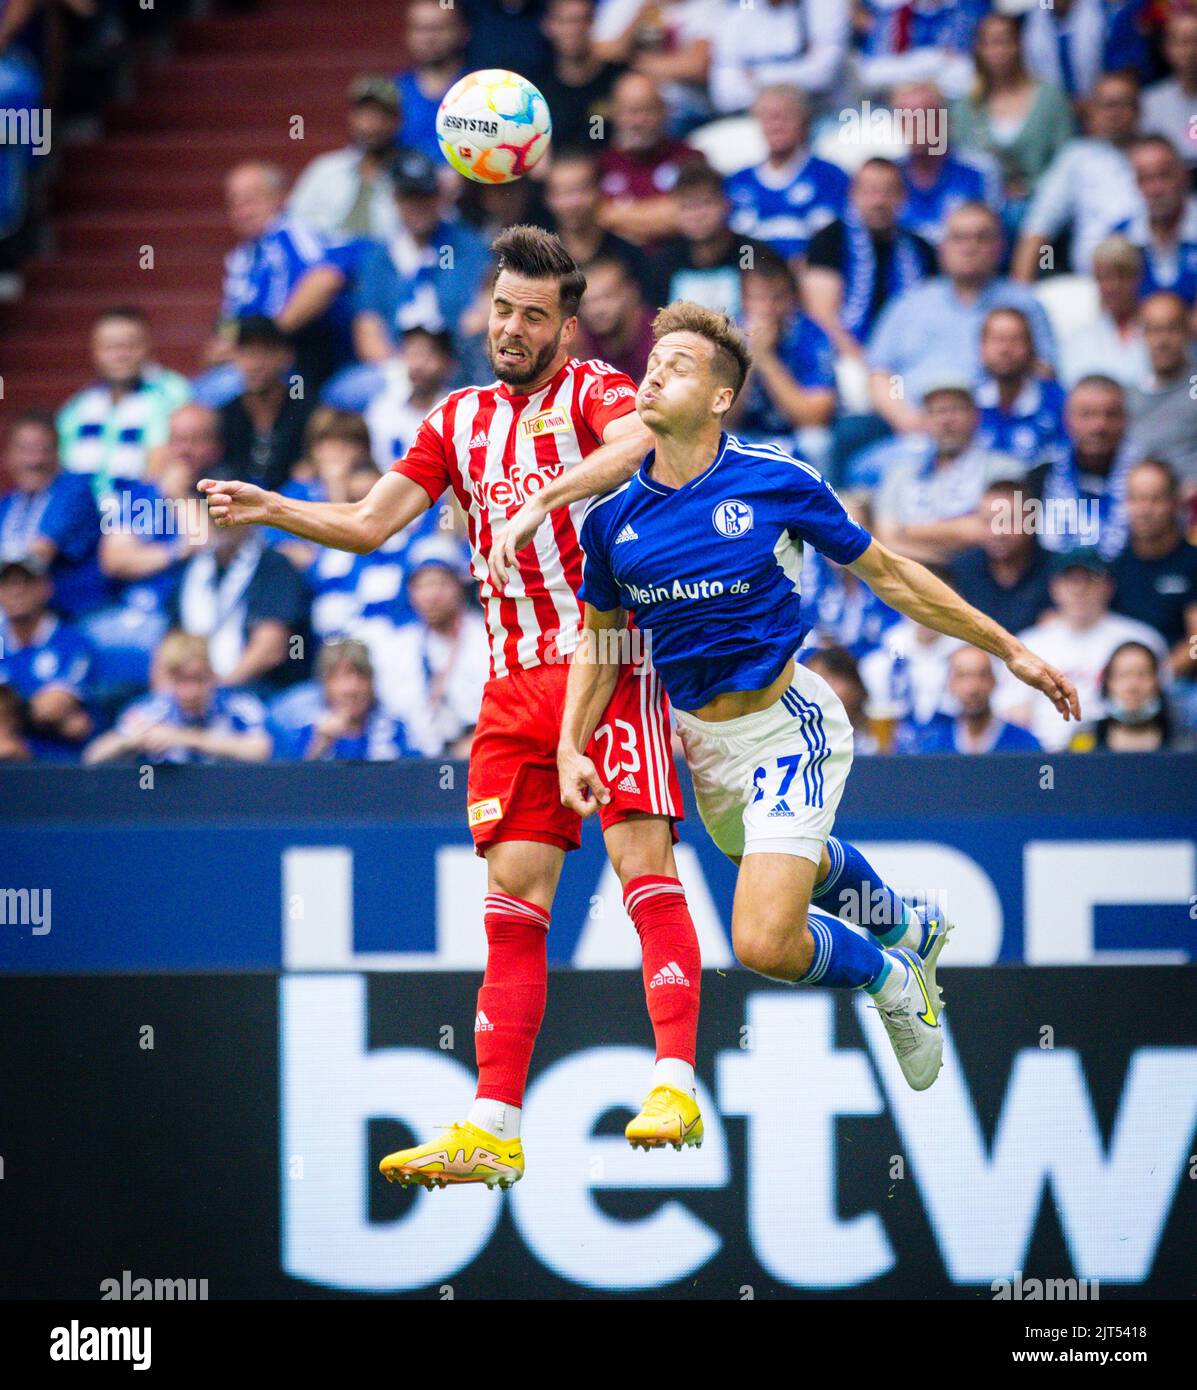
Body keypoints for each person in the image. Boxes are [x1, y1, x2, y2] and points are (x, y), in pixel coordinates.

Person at [201, 226, 704, 1189]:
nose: (511, 328)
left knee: (642, 865)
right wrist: (272, 507)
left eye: (532, 315)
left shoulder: (596, 389)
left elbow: (651, 437)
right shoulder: (455, 418)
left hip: (605, 658)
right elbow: (364, 523)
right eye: (501, 309)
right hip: (511, 690)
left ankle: (674, 1076)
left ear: (564, 326)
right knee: (513, 912)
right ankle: (493, 1122)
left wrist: (540, 496)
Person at [557, 300, 1080, 1097]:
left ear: (722, 397)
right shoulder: (611, 519)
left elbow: (892, 575)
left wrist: (1008, 649)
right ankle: (907, 922)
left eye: (680, 366)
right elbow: (602, 643)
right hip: (702, 747)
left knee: (764, 941)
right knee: (774, 864)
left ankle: (890, 977)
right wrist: (570, 743)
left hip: (787, 727)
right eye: (652, 363)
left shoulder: (775, 481)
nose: (654, 373)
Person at [867, 201, 1055, 432]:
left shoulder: (1024, 303)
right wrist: (908, 417)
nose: (970, 247)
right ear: (942, 248)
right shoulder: (908, 304)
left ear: (1000, 247)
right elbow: (884, 375)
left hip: (998, 430)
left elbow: (1043, 372)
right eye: (959, 238)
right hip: (915, 428)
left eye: (981, 238)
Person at [995, 548, 1164, 751]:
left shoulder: (1141, 639)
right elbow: (1009, 710)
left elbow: (1162, 707)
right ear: (1053, 587)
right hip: (1044, 756)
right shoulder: (1026, 645)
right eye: (1069, 579)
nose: (1079, 589)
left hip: (1118, 754)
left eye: (1090, 579)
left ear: (1108, 586)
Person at [351, 150, 491, 359]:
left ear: (439, 197)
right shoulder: (378, 258)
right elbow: (368, 328)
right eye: (409, 197)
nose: (418, 206)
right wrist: (399, 374)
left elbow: (485, 311)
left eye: (425, 195)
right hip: (394, 368)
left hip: (455, 364)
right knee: (343, 389)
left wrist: (441, 364)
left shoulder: (468, 247)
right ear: (395, 199)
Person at [871, 378, 1024, 565]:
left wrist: (907, 532)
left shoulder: (1005, 468)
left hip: (979, 581)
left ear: (976, 416)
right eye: (937, 412)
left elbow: (990, 530)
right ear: (924, 420)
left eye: (956, 409)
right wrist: (949, 547)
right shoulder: (900, 474)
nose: (946, 420)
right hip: (913, 581)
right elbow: (886, 540)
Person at [363, 535, 489, 757]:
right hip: (413, 762)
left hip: (477, 753)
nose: (432, 595)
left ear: (459, 585)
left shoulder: (488, 638)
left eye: (440, 583)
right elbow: (390, 716)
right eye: (421, 585)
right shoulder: (396, 648)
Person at [1011, 71, 1143, 281]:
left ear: (1138, 110)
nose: (1114, 113)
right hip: (1090, 282)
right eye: (1107, 105)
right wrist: (1024, 289)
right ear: (1092, 111)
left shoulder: (1155, 155)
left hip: (1147, 280)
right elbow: (1041, 226)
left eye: (1122, 104)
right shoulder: (1077, 156)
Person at [803, 156, 936, 361]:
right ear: (853, 195)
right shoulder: (828, 239)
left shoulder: (921, 248)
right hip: (843, 357)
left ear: (903, 196)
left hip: (909, 355)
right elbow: (821, 315)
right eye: (870, 191)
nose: (879, 201)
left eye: (888, 192)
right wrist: (864, 365)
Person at [949, 11, 1075, 225]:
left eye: (1005, 41)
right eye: (990, 43)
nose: (999, 51)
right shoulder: (966, 107)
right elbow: (962, 162)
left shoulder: (1051, 99)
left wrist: (1030, 190)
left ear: (1020, 45)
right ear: (978, 49)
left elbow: (1068, 160)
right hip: (984, 210)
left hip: (1046, 207)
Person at [168, 518, 310, 697]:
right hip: (192, 690)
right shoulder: (194, 566)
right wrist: (166, 695)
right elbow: (170, 641)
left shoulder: (275, 567)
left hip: (255, 686)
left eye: (229, 514)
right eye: (212, 513)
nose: (220, 521)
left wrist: (214, 690)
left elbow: (271, 650)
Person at [83, 631, 271, 766]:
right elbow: (93, 757)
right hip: (163, 807)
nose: (190, 691)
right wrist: (132, 741)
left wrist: (183, 738)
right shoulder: (150, 709)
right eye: (181, 681)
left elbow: (260, 751)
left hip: (231, 803)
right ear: (169, 679)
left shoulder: (240, 705)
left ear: (213, 675)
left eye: (198, 679)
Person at [57, 306, 192, 491]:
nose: (121, 355)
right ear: (95, 352)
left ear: (148, 346)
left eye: (130, 345)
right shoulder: (79, 406)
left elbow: (166, 460)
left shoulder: (173, 392)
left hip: (144, 508)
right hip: (85, 513)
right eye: (110, 347)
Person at [724, 86, 849, 268]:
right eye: (768, 117)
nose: (776, 124)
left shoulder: (830, 178)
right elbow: (736, 247)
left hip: (811, 281)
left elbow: (835, 242)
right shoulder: (737, 183)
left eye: (784, 116)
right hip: (753, 284)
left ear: (804, 121)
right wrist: (755, 274)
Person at [0, 411, 107, 619]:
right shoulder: (6, 505)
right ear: (7, 457)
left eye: (43, 450)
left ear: (58, 453)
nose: (35, 460)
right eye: (24, 450)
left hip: (75, 618)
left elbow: (37, 555)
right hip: (18, 621)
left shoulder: (75, 490)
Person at [730, 250, 836, 455]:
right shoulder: (727, 335)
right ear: (743, 301)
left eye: (777, 298)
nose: (768, 309)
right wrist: (748, 359)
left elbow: (814, 419)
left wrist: (765, 358)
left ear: (792, 298)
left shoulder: (811, 335)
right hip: (745, 435)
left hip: (796, 438)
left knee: (818, 443)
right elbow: (724, 419)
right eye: (758, 299)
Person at [287, 75, 407, 242]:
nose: (370, 125)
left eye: (380, 115)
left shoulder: (411, 175)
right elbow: (292, 223)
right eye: (363, 114)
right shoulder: (325, 169)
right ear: (351, 118)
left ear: (397, 121)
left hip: (383, 264)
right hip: (324, 263)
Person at [643, 161, 769, 319]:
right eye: (687, 206)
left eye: (705, 203)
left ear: (726, 204)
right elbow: (653, 322)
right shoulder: (664, 263)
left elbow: (766, 306)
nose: (697, 215)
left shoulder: (748, 252)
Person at [1029, 375, 1136, 562]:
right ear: (1068, 419)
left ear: (1126, 419)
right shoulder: (1040, 477)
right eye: (1087, 414)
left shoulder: (1145, 478)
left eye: (1110, 414)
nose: (1099, 426)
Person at [0, 555, 95, 760]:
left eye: (27, 581)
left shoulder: (70, 641)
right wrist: (62, 723)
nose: (16, 590)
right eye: (7, 582)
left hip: (55, 762)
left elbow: (51, 708)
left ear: (46, 587)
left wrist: (7, 712)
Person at [1109, 459, 1197, 681]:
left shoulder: (1192, 562)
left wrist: (1157, 678)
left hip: (1183, 686)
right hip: (1123, 685)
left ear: (1176, 503)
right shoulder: (1114, 564)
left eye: (1155, 499)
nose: (1145, 510)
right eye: (1136, 499)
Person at [596, 71, 703, 247]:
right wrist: (657, 215)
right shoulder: (601, 164)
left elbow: (690, 216)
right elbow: (589, 215)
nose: (638, 121)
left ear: (664, 111)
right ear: (615, 114)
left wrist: (615, 217)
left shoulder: (689, 159)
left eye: (647, 110)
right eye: (630, 111)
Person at [893, 81, 1001, 248]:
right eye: (907, 117)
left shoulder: (979, 171)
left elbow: (990, 239)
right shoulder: (889, 176)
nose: (917, 125)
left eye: (926, 116)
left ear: (946, 121)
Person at [268, 637, 410, 762]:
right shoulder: (305, 735)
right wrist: (321, 746)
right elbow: (295, 786)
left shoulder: (396, 731)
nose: (351, 689)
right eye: (339, 678)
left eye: (361, 677)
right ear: (324, 684)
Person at [218, 317, 314, 493]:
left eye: (264, 353)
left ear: (286, 357)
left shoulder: (307, 412)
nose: (254, 364)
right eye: (246, 353)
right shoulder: (225, 414)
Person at [948, 479, 1053, 637]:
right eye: (988, 521)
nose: (998, 533)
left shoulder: (1056, 570)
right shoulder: (962, 569)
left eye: (1008, 521)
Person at [706, 0, 850, 112]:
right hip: (755, 117)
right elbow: (725, 94)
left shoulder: (825, 5)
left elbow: (822, 76)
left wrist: (758, 77)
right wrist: (799, 72)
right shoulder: (737, 15)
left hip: (823, 113)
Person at [973, 307, 1066, 468]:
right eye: (997, 340)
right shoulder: (968, 404)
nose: (1005, 349)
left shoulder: (1060, 402)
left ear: (1031, 347)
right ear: (982, 348)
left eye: (1015, 340)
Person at [1057, 235, 1150, 388]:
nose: (1113, 286)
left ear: (1137, 278)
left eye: (1122, 276)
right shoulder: (1079, 339)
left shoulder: (1157, 332)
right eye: (1105, 278)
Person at [540, 150, 643, 287]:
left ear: (599, 191)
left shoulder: (628, 255)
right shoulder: (534, 256)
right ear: (548, 198)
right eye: (562, 192)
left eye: (580, 190)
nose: (572, 203)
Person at [529, 0, 622, 150]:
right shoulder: (536, 91)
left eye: (581, 20)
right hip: (554, 169)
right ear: (548, 25)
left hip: (607, 168)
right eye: (564, 21)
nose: (573, 30)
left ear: (592, 23)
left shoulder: (618, 80)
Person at [1126, 291, 1197, 487]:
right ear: (1141, 335)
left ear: (1188, 332)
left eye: (1171, 329)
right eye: (1153, 330)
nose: (1162, 341)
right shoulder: (1126, 397)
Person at [914, 645, 1041, 753]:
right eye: (962, 676)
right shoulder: (933, 747)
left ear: (994, 680)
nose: (972, 688)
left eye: (982, 675)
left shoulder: (1025, 744)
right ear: (950, 684)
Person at [1115, 136, 1197, 303]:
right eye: (1145, 178)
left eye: (1164, 175)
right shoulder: (1121, 239)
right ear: (1136, 184)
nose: (1155, 189)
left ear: (1183, 175)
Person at [393, 0, 470, 163]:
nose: (429, 38)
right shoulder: (392, 91)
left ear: (462, 32)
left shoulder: (484, 90)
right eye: (420, 29)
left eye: (438, 28)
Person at [1069, 641, 1176, 752]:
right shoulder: (1085, 735)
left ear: (1157, 681)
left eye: (1142, 674)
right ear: (1108, 683)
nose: (1132, 687)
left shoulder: (1182, 739)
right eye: (1123, 675)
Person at [572, 254, 656, 382]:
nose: (597, 310)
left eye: (608, 297)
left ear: (632, 292)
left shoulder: (662, 336)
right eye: (587, 302)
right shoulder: (578, 343)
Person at [1141, 9, 1197, 173]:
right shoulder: (1149, 102)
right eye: (1183, 42)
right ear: (1167, 48)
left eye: (1196, 41)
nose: (1191, 51)